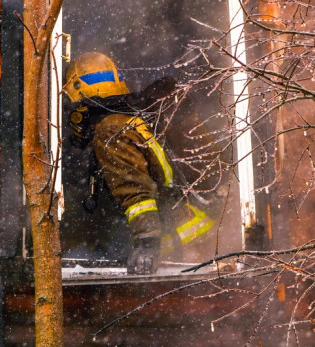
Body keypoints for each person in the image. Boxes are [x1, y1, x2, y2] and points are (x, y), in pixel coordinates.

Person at [64, 52, 215, 274]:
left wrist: (147, 244)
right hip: (190, 230)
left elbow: (135, 191)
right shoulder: (131, 117)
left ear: (78, 97)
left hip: (171, 240)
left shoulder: (109, 130)